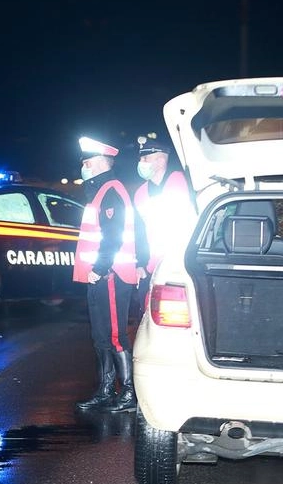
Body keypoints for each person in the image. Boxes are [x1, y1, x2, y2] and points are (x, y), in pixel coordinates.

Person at [73, 137, 138, 413]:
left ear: (100, 163)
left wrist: (99, 268)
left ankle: (128, 393)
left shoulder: (111, 190)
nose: (84, 167)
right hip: (99, 276)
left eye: (87, 163)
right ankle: (105, 390)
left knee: (114, 335)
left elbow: (112, 236)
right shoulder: (99, 191)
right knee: (100, 337)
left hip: (111, 275)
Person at [132, 137, 195, 308]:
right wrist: (141, 263)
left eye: (145, 159)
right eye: (140, 159)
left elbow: (179, 228)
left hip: (179, 264)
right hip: (151, 267)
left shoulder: (180, 183)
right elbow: (140, 231)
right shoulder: (140, 193)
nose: (141, 163)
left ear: (160, 161)